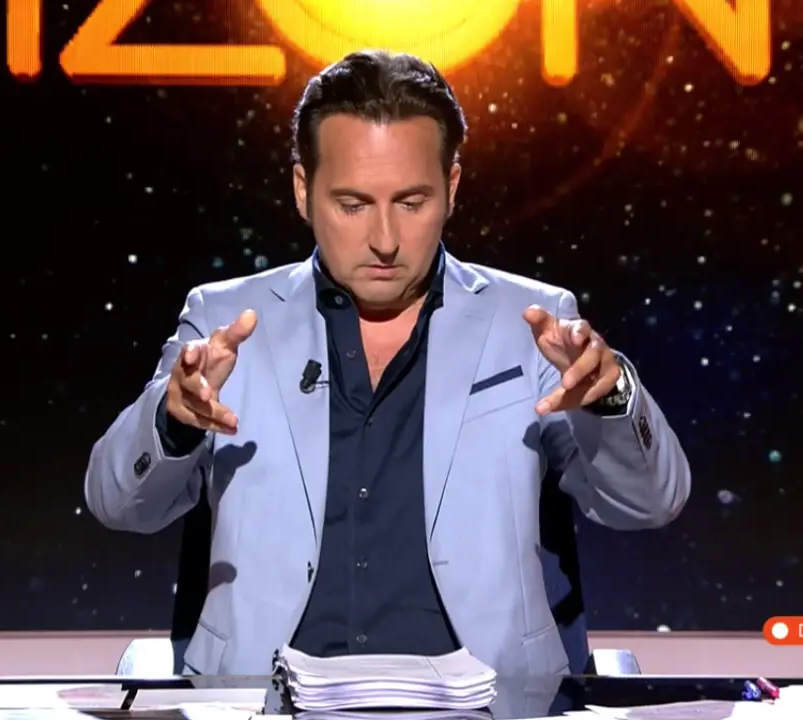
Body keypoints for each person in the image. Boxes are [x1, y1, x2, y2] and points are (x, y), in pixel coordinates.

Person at [85, 49, 692, 677]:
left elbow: (650, 503)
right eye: (352, 204)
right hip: (263, 700)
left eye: (411, 202)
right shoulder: (225, 321)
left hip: (490, 704)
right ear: (303, 190)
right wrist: (174, 422)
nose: (384, 240)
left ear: (452, 188)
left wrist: (612, 399)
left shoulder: (531, 323)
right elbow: (117, 504)